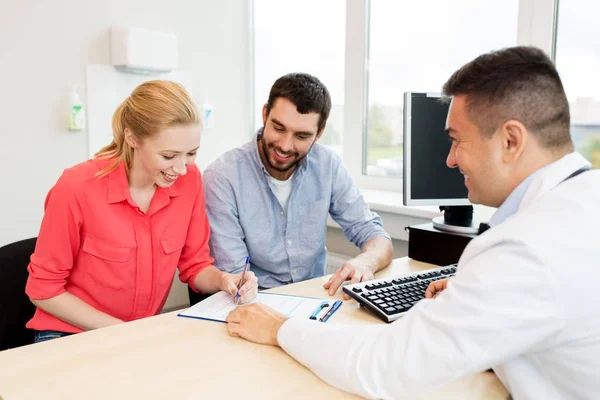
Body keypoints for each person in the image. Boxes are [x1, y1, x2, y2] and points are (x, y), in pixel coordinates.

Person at [224, 47, 600, 399]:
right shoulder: (581, 202)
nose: (451, 160)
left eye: (456, 140)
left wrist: (279, 329)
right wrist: (476, 296)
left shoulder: (524, 250)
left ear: (511, 140)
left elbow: (384, 367)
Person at [26, 80, 258, 343]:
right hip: (67, 334)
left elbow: (195, 266)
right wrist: (127, 333)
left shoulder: (189, 180)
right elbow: (43, 291)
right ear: (132, 138)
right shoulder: (77, 187)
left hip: (139, 337)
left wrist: (224, 279)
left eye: (191, 153)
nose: (181, 168)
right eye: (169, 156)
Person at [203, 73, 393, 295]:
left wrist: (366, 262)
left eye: (301, 136)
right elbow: (236, 277)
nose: (285, 146)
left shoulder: (327, 165)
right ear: (265, 114)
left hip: (314, 301)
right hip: (254, 302)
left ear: (319, 134)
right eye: (279, 128)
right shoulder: (222, 177)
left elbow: (375, 235)